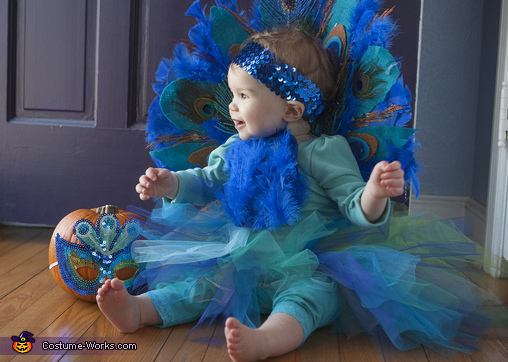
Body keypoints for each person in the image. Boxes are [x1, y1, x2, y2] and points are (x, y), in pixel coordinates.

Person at [97, 28, 500, 361]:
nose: (232, 108)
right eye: (233, 94)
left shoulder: (323, 152)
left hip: (309, 263)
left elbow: (353, 205)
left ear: (291, 110)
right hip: (240, 258)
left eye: (244, 96)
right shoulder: (234, 150)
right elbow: (205, 179)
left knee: (310, 298)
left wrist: (374, 192)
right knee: (202, 285)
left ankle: (267, 338)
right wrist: (170, 183)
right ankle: (142, 309)